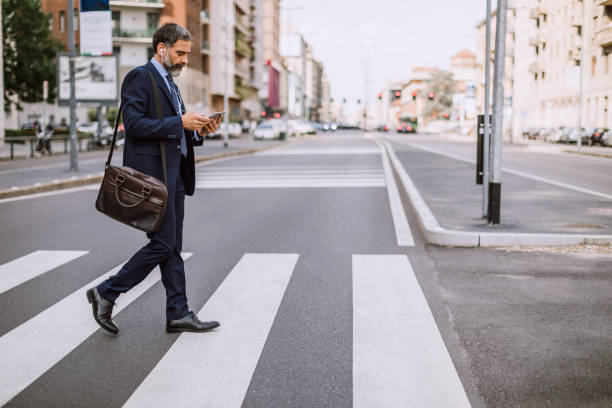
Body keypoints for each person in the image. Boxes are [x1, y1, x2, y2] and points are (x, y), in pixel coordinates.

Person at [87, 23, 222, 335]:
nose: (185, 60)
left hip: (173, 177)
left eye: (187, 54)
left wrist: (198, 131)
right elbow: (133, 125)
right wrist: (179, 121)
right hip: (152, 179)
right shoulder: (140, 78)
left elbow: (176, 129)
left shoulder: (172, 85)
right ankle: (107, 291)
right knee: (163, 244)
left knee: (172, 246)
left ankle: (178, 313)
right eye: (180, 53)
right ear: (162, 48)